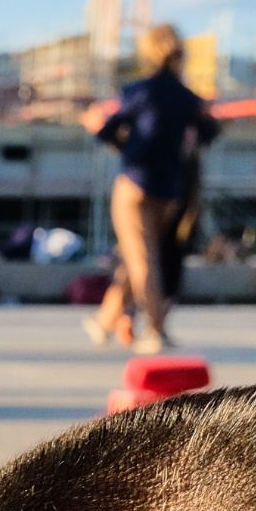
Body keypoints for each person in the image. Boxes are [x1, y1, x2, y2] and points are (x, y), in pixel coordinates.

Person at [90, 25, 218, 354]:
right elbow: (209, 131)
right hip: (169, 189)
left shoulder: (139, 91)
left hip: (134, 185)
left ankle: (155, 329)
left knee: (141, 258)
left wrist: (127, 146)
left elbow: (106, 131)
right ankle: (104, 321)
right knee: (139, 255)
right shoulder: (187, 97)